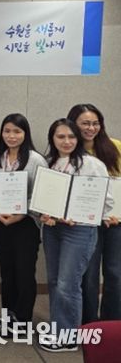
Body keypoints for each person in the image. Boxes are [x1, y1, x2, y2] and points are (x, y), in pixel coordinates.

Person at [39, 118, 113, 353]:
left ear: (78, 138)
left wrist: (77, 214)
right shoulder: (49, 163)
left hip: (79, 230)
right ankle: (58, 328)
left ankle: (68, 337)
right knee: (54, 281)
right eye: (61, 136)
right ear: (52, 138)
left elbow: (106, 201)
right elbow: (42, 198)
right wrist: (44, 213)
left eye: (71, 136)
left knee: (67, 284)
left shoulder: (92, 164)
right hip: (52, 230)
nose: (67, 141)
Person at [0, 113, 47, 332]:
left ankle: (22, 320)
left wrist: (21, 214)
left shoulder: (35, 159)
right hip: (1, 221)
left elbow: (42, 194)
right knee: (7, 271)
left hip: (26, 224)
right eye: (7, 131)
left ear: (25, 133)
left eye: (17, 131)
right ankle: (8, 317)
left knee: (24, 272)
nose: (11, 136)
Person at [67, 104, 121, 323]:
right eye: (85, 123)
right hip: (85, 222)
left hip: (116, 221)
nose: (91, 128)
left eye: (95, 123)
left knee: (115, 273)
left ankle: (112, 323)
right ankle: (88, 323)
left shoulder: (115, 146)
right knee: (88, 275)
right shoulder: (69, 150)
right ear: (74, 124)